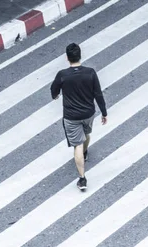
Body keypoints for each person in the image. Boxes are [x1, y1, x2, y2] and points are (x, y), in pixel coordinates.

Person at [50, 42, 108, 191]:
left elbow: (53, 90)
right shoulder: (90, 72)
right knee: (87, 134)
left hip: (71, 116)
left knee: (77, 144)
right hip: (88, 113)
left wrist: (55, 95)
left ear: (67, 58)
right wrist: (104, 112)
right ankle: (85, 152)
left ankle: (82, 179)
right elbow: (98, 94)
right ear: (80, 55)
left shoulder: (63, 75)